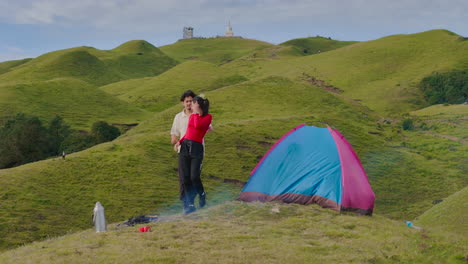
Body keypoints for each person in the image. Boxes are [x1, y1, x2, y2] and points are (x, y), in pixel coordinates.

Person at [175, 95, 212, 214]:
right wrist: (179, 142)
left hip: (196, 148)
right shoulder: (193, 116)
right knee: (185, 178)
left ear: (199, 105)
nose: (191, 105)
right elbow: (188, 132)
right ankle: (190, 204)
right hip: (185, 146)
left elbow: (197, 126)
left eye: (193, 103)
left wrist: (195, 113)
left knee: (194, 177)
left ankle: (202, 194)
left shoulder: (207, 117)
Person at [171, 90, 197, 202]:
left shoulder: (199, 115)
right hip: (183, 150)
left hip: (197, 151)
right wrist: (174, 141)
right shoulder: (178, 117)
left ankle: (191, 200)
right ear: (183, 103)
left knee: (194, 177)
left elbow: (208, 127)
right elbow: (174, 133)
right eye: (187, 101)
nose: (189, 103)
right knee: (184, 178)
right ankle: (186, 204)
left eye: (191, 101)